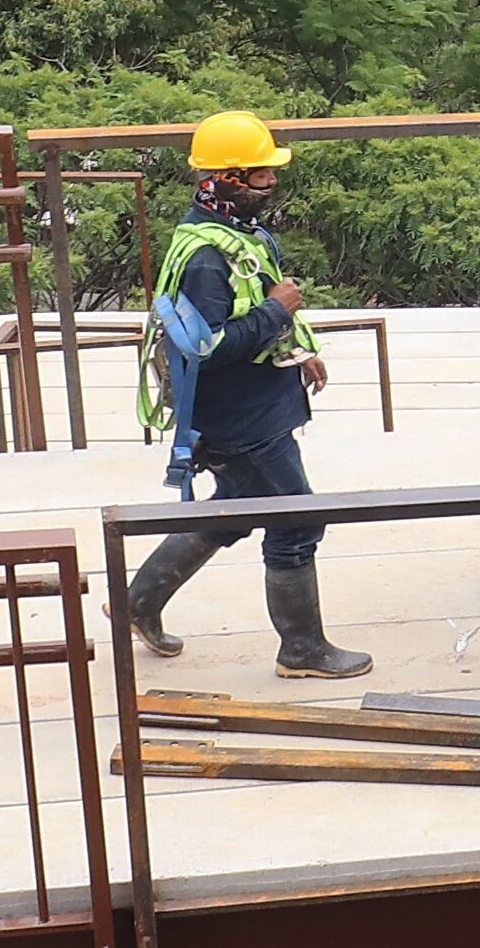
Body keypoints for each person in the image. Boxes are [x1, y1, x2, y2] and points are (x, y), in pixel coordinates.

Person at [125, 110, 372, 678]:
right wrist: (277, 311)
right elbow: (207, 348)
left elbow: (247, 317)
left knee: (235, 507)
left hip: (252, 409)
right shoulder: (207, 258)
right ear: (227, 181)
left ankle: (139, 602)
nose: (272, 182)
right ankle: (301, 649)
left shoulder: (233, 234)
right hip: (243, 421)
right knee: (296, 519)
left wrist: (297, 350)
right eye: (261, 175)